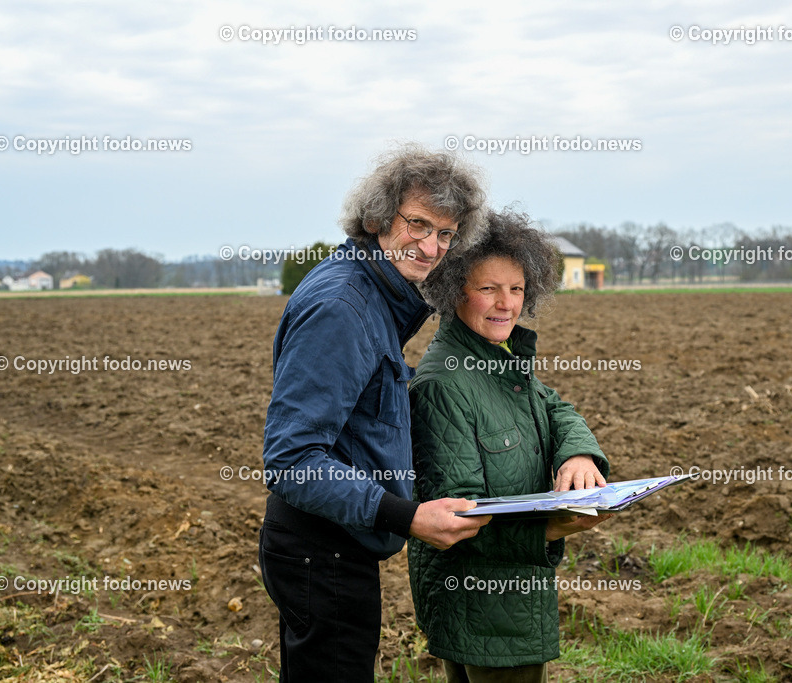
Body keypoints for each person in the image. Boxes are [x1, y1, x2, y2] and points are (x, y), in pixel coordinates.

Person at [258, 144, 493, 682]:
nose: (431, 246)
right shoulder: (344, 307)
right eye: (418, 224)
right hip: (322, 552)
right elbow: (292, 460)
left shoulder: (375, 294)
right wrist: (407, 517)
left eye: (446, 234)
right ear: (378, 217)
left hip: (335, 549)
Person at [408, 210, 611, 683]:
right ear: (452, 288)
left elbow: (556, 408)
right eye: (488, 289)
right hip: (482, 608)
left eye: (516, 289)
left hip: (508, 605)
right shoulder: (444, 384)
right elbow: (456, 518)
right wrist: (551, 530)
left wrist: (578, 454)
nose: (506, 304)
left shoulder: (498, 362)